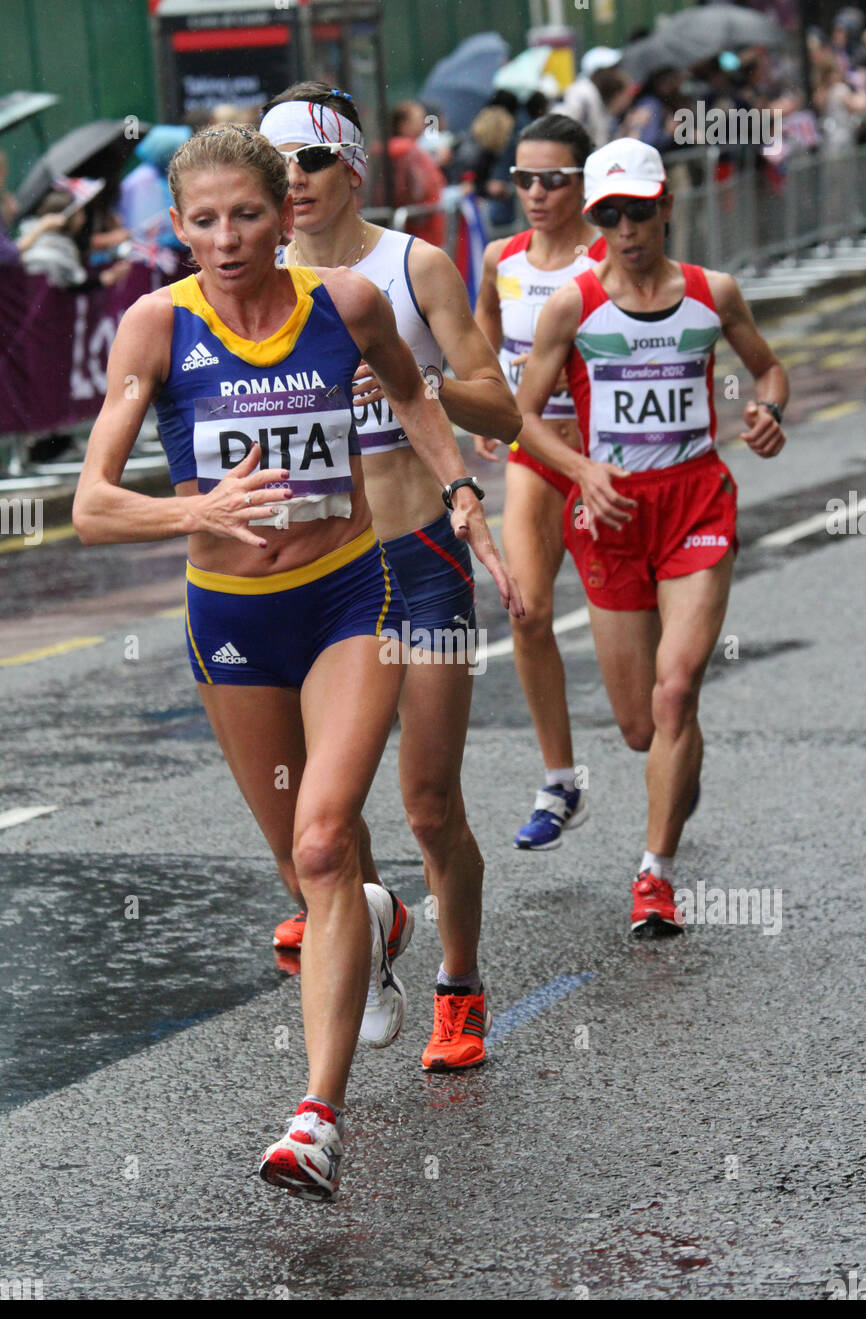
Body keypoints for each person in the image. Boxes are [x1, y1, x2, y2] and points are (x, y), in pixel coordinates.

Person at [72, 124, 518, 1200]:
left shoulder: (347, 307)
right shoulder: (153, 327)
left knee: (324, 842)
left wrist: (455, 487)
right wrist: (198, 506)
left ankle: (314, 1119)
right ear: (176, 226)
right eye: (203, 220)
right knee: (301, 860)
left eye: (248, 215)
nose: (227, 240)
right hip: (231, 620)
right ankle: (368, 916)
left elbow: (413, 392)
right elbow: (90, 505)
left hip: (343, 600)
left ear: (285, 215)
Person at [259, 83, 523, 1071]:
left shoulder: (411, 268)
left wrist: (417, 386)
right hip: (320, 574)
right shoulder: (258, 281)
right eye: (274, 166)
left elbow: (497, 410)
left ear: (353, 167)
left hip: (418, 560)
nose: (292, 184)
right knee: (319, 806)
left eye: (311, 163)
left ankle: (459, 981)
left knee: (426, 802)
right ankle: (372, 918)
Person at [516, 137, 788, 936]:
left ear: (667, 205)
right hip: (611, 517)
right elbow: (522, 418)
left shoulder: (713, 292)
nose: (627, 230)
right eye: (610, 216)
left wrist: (769, 408)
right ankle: (677, 763)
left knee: (678, 691)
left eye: (640, 212)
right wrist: (581, 469)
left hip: (696, 504)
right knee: (641, 726)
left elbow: (768, 368)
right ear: (596, 220)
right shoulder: (573, 304)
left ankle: (654, 874)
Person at [472, 113, 604, 850]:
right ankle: (560, 782)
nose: (535, 192)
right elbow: (484, 331)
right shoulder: (503, 257)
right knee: (525, 611)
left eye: (553, 179)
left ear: (583, 183)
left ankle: (667, 741)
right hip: (535, 453)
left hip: (611, 456)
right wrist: (493, 400)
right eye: (524, 178)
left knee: (640, 642)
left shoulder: (608, 258)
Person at [387, 100, 447, 246]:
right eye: (419, 119)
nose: (423, 124)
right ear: (403, 124)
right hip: (419, 230)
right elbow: (418, 190)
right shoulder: (404, 150)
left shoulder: (409, 148)